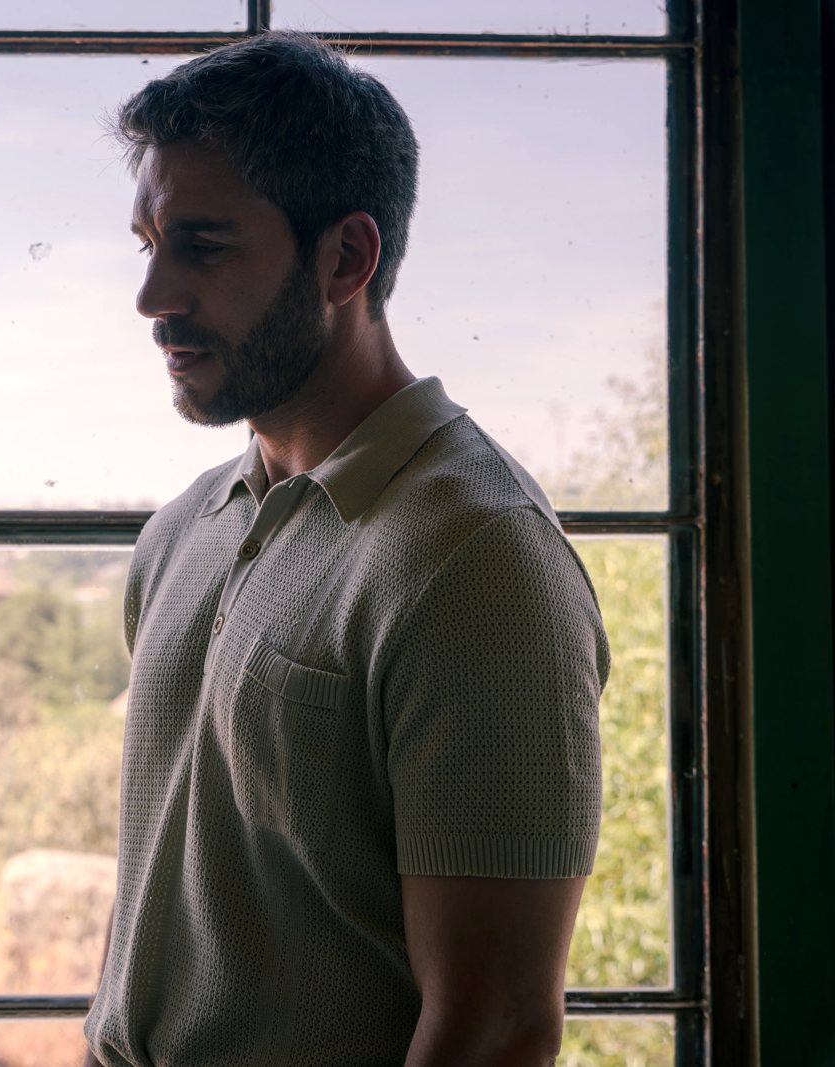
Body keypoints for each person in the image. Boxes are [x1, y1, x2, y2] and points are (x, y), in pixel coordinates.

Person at [83, 32, 609, 1067]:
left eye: (204, 246)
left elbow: (497, 1026)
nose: (153, 300)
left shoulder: (476, 558)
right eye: (148, 244)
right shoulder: (182, 530)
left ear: (346, 258)